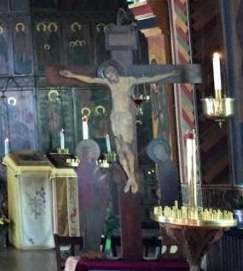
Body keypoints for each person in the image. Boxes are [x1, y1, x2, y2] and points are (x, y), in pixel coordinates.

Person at [59, 64, 176, 194]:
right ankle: (129, 178)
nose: (109, 77)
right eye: (107, 76)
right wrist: (73, 75)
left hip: (125, 118)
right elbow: (91, 80)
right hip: (115, 117)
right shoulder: (109, 83)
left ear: (115, 72)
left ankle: (132, 178)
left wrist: (170, 74)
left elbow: (149, 78)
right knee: (119, 150)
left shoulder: (129, 80)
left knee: (126, 148)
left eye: (111, 74)